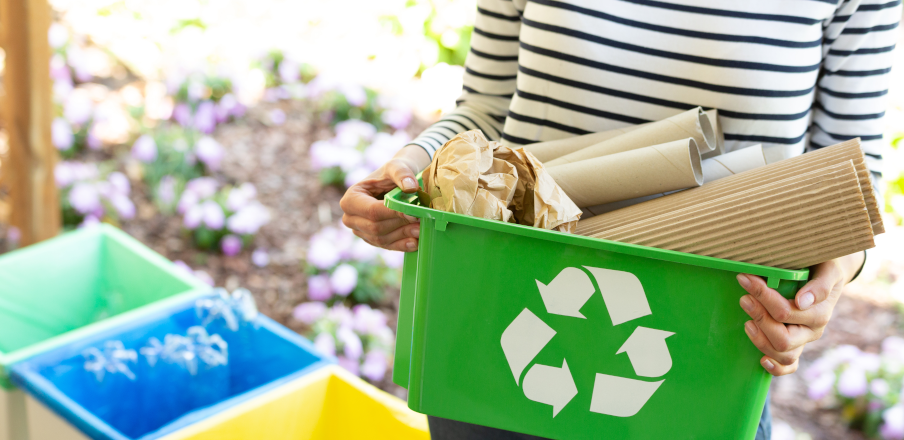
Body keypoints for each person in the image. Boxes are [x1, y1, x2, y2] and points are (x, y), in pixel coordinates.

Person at [340, 0, 901, 438]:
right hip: (501, 308)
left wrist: (828, 281)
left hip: (708, 337)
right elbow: (485, 106)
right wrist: (409, 169)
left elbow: (854, 173)